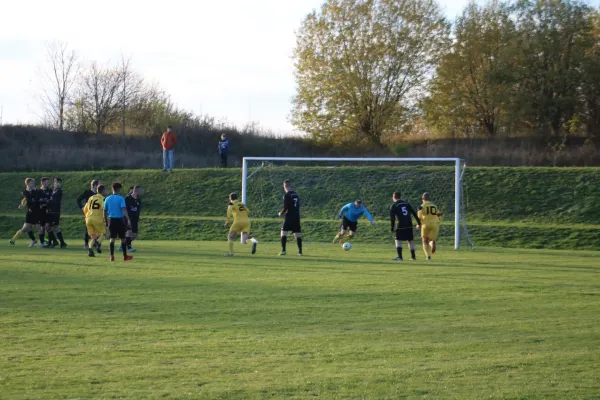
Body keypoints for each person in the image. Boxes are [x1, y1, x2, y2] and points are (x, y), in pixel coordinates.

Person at [103, 182, 133, 262]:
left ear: (112, 189)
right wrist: (128, 219)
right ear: (119, 189)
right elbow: (123, 210)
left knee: (112, 238)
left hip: (111, 220)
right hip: (120, 221)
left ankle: (111, 256)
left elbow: (104, 211)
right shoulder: (121, 198)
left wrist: (105, 221)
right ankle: (125, 256)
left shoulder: (107, 198)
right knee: (123, 239)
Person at [390, 191, 421, 261]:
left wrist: (392, 228)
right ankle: (413, 257)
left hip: (401, 224)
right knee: (410, 240)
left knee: (398, 240)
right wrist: (419, 223)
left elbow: (392, 218)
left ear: (394, 197)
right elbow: (414, 213)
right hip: (409, 224)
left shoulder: (394, 205)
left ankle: (400, 257)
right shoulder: (406, 203)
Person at [9, 178, 40, 246]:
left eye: (33, 183)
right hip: (30, 213)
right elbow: (25, 200)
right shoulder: (25, 192)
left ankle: (46, 241)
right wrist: (22, 205)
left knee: (40, 229)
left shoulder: (36, 191)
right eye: (32, 183)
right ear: (27, 184)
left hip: (37, 213)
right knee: (26, 228)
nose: (33, 184)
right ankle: (13, 240)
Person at [278, 180, 302, 256]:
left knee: (283, 233)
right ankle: (300, 252)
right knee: (297, 234)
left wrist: (280, 213)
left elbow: (285, 207)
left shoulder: (287, 195)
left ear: (285, 186)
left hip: (289, 217)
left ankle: (283, 250)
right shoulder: (296, 194)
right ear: (291, 186)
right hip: (296, 217)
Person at [416, 192, 442, 261]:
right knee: (430, 240)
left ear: (422, 198)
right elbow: (438, 214)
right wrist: (438, 221)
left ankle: (428, 256)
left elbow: (418, 216)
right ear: (429, 199)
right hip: (434, 224)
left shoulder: (421, 206)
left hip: (426, 224)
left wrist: (419, 224)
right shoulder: (434, 206)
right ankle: (432, 243)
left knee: (424, 240)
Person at [83, 185, 107, 257]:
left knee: (93, 236)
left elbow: (85, 209)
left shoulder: (91, 198)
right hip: (97, 219)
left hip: (88, 219)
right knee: (103, 233)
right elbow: (103, 209)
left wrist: (87, 216)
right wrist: (105, 219)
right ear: (103, 191)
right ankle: (97, 243)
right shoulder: (102, 199)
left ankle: (90, 251)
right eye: (105, 190)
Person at [77, 179, 100, 250]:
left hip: (97, 214)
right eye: (99, 185)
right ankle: (86, 244)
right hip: (89, 213)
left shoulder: (98, 194)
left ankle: (95, 242)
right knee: (88, 228)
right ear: (95, 185)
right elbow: (78, 199)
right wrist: (82, 207)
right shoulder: (87, 192)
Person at [46, 177, 67, 248]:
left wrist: (48, 202)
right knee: (49, 227)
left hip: (55, 212)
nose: (56, 183)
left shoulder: (59, 191)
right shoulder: (53, 191)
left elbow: (55, 201)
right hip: (51, 211)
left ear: (60, 183)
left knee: (53, 227)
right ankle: (56, 242)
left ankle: (59, 242)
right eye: (55, 182)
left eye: (57, 182)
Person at [122, 185, 143, 252]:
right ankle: (129, 248)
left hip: (135, 219)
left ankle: (123, 244)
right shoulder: (128, 198)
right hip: (129, 218)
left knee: (134, 235)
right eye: (140, 190)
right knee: (129, 233)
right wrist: (127, 218)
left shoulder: (138, 199)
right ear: (136, 190)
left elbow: (138, 209)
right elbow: (125, 209)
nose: (141, 191)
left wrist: (138, 217)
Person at [37, 177, 53, 248]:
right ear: (42, 182)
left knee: (47, 226)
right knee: (42, 228)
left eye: (48, 182)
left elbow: (50, 201)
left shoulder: (50, 190)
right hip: (40, 212)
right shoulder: (38, 191)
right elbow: (37, 201)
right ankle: (42, 242)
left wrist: (44, 203)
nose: (48, 183)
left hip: (48, 211)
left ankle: (50, 241)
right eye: (47, 182)